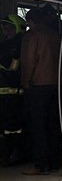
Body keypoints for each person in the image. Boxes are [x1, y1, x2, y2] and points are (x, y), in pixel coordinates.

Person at [20, 8, 62, 175]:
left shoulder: (31, 36)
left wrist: (25, 83)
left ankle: (40, 164)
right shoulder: (56, 36)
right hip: (56, 85)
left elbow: (28, 62)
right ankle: (55, 161)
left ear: (30, 21)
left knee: (38, 126)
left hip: (38, 86)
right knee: (53, 125)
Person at [0, 15, 27, 166]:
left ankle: (15, 154)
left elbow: (12, 66)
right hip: (5, 94)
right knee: (6, 128)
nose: (6, 30)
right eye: (4, 27)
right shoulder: (7, 44)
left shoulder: (18, 44)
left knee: (14, 128)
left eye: (10, 27)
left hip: (13, 95)